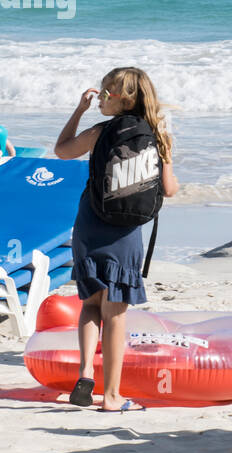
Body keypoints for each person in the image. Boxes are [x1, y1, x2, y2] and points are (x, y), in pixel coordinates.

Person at [54, 67, 179, 412]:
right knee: (116, 314)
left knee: (91, 306)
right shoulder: (156, 134)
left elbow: (62, 151)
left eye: (106, 93)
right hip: (125, 233)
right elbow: (169, 189)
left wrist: (77, 110)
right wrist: (167, 153)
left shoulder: (100, 132)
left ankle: (85, 375)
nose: (99, 99)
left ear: (122, 98)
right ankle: (112, 396)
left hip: (90, 225)